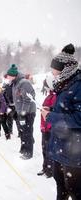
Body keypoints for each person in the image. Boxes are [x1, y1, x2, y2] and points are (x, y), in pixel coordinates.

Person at [42, 44, 81, 200]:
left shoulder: (78, 85)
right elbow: (65, 111)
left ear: (64, 69)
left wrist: (51, 117)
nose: (52, 72)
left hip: (74, 150)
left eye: (55, 69)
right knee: (60, 185)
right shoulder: (64, 84)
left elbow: (78, 118)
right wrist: (51, 111)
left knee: (74, 190)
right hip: (60, 147)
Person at [6, 64, 36, 159]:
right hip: (21, 111)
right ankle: (24, 148)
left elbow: (27, 100)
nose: (8, 77)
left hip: (28, 112)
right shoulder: (15, 83)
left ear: (14, 75)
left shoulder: (24, 83)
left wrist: (23, 113)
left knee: (27, 131)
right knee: (22, 131)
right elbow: (17, 99)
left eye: (9, 76)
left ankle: (29, 152)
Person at [37, 85, 56, 178]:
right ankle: (45, 167)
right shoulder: (49, 96)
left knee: (50, 150)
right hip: (45, 127)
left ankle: (50, 170)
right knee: (44, 149)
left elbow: (53, 113)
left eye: (47, 86)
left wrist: (48, 126)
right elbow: (44, 111)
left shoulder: (55, 96)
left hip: (50, 129)